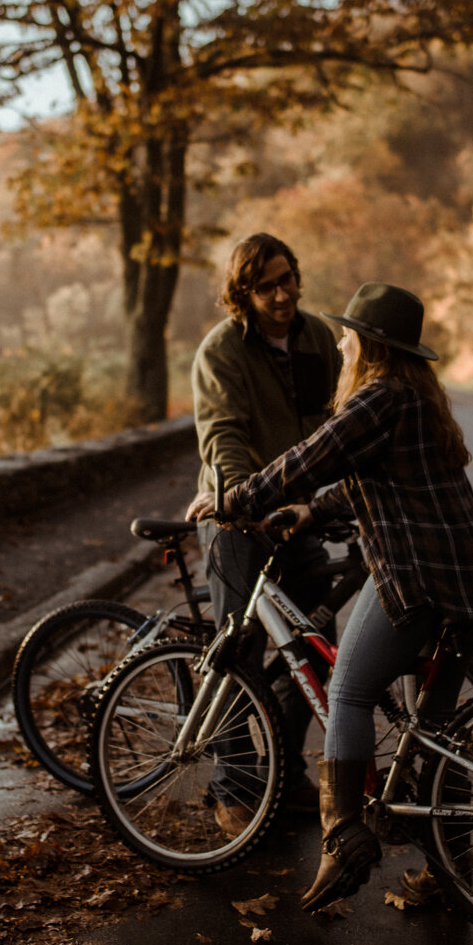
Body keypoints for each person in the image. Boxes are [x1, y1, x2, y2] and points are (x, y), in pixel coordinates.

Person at [223, 282, 473, 911]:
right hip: (470, 582)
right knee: (434, 732)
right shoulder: (419, 402)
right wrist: (311, 513)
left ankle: (341, 839)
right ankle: (446, 868)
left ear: (370, 346)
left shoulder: (377, 399)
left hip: (421, 579)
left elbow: (308, 458)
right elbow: (368, 482)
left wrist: (236, 499)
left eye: (350, 334)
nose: (343, 342)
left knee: (348, 692)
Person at [186, 233, 344, 818]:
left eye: (288, 279)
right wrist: (240, 497)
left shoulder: (317, 338)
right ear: (243, 293)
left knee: (311, 644)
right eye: (266, 286)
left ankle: (285, 771)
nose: (282, 294)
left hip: (294, 515)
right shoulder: (222, 350)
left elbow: (337, 420)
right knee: (239, 652)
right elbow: (222, 432)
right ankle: (236, 785)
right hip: (236, 515)